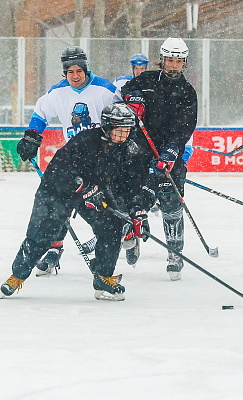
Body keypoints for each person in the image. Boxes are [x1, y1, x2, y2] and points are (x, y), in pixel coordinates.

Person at [0, 103, 155, 301]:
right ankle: (16, 276)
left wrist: (138, 212)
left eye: (127, 131)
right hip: (57, 191)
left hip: (95, 193)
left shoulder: (128, 150)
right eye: (119, 131)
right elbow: (59, 170)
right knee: (41, 236)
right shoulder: (86, 141)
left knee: (112, 226)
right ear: (107, 127)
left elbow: (130, 186)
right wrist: (84, 188)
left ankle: (103, 278)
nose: (123, 136)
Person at [16, 46, 121, 276]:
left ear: (86, 69)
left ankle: (108, 257)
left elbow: (121, 115)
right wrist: (32, 137)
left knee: (107, 211)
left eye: (79, 71)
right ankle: (54, 249)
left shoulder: (104, 90)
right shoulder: (57, 92)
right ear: (64, 72)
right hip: (72, 160)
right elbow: (40, 113)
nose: (75, 76)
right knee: (57, 206)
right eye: (70, 71)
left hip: (101, 159)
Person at [122, 37, 197, 281]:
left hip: (168, 154)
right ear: (162, 59)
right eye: (169, 60)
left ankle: (175, 252)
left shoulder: (187, 92)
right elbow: (126, 90)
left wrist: (172, 151)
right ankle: (132, 237)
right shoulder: (146, 80)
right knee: (132, 197)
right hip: (141, 150)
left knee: (171, 201)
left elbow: (186, 126)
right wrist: (133, 100)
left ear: (184, 63)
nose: (173, 65)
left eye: (178, 61)